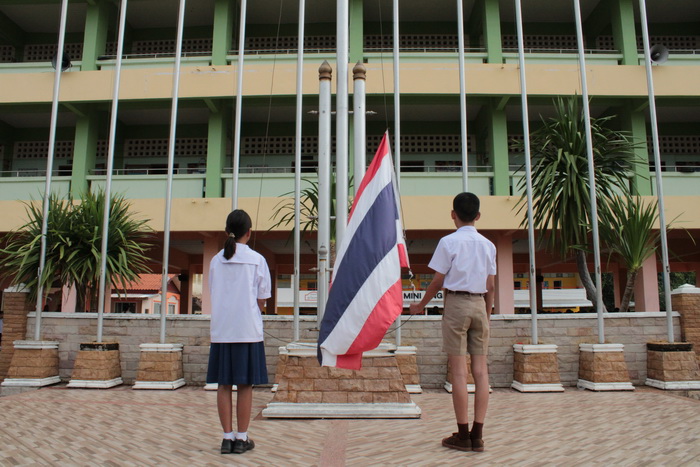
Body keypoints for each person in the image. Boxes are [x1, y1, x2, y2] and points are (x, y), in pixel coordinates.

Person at [409, 192, 496, 453]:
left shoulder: (448, 242)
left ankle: (462, 435)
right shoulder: (488, 245)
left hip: (457, 304)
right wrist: (487, 314)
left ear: (452, 214)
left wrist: (420, 306)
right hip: (480, 304)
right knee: (481, 372)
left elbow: (438, 281)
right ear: (478, 216)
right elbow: (491, 285)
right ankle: (478, 436)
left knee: (459, 372)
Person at [206, 209, 271, 455]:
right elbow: (262, 298)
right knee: (245, 385)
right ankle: (242, 438)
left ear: (227, 232)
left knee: (224, 384)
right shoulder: (257, 259)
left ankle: (227, 438)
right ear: (249, 232)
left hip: (222, 330)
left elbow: (213, 291)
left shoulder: (215, 261)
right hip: (247, 330)